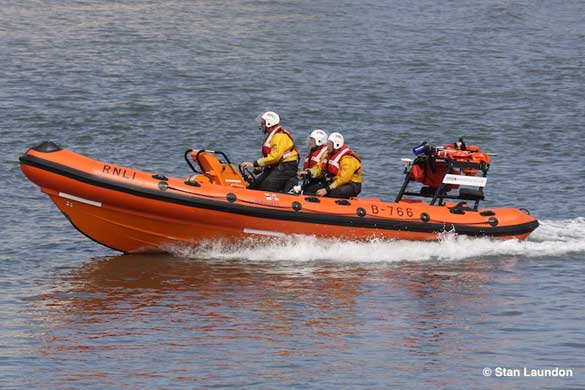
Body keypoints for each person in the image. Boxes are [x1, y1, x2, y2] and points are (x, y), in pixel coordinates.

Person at [240, 111, 299, 193]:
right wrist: (255, 172)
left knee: (267, 186)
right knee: (254, 185)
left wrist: (253, 164)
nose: (261, 125)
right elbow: (267, 159)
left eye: (263, 123)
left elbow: (274, 157)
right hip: (276, 166)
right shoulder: (272, 136)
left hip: (286, 167)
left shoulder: (279, 136)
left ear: (268, 124)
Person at [315, 132, 362, 198]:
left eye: (329, 144)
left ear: (336, 145)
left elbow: (344, 179)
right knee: (313, 188)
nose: (327, 146)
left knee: (334, 193)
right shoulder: (327, 155)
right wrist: (308, 172)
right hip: (336, 181)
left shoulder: (348, 159)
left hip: (352, 185)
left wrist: (327, 189)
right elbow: (319, 168)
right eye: (327, 143)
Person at [285, 129, 329, 194]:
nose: (309, 142)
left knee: (308, 191)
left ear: (319, 141)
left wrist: (307, 172)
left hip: (320, 181)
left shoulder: (325, 153)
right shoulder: (313, 151)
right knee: (291, 181)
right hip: (311, 179)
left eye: (312, 140)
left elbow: (320, 169)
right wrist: (302, 175)